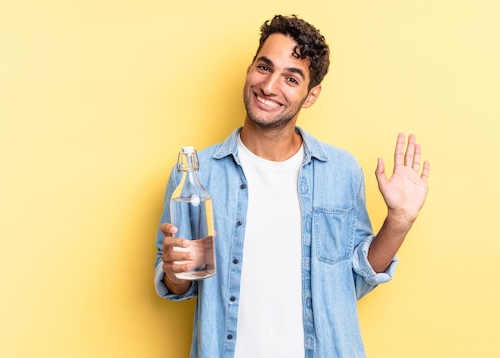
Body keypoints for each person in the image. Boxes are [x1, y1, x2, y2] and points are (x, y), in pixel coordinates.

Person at [154, 14, 430, 358]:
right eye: (264, 67)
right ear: (250, 68)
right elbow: (177, 284)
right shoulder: (197, 174)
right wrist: (175, 270)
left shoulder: (341, 171)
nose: (269, 87)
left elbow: (353, 281)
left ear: (311, 95)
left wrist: (399, 222)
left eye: (291, 78)